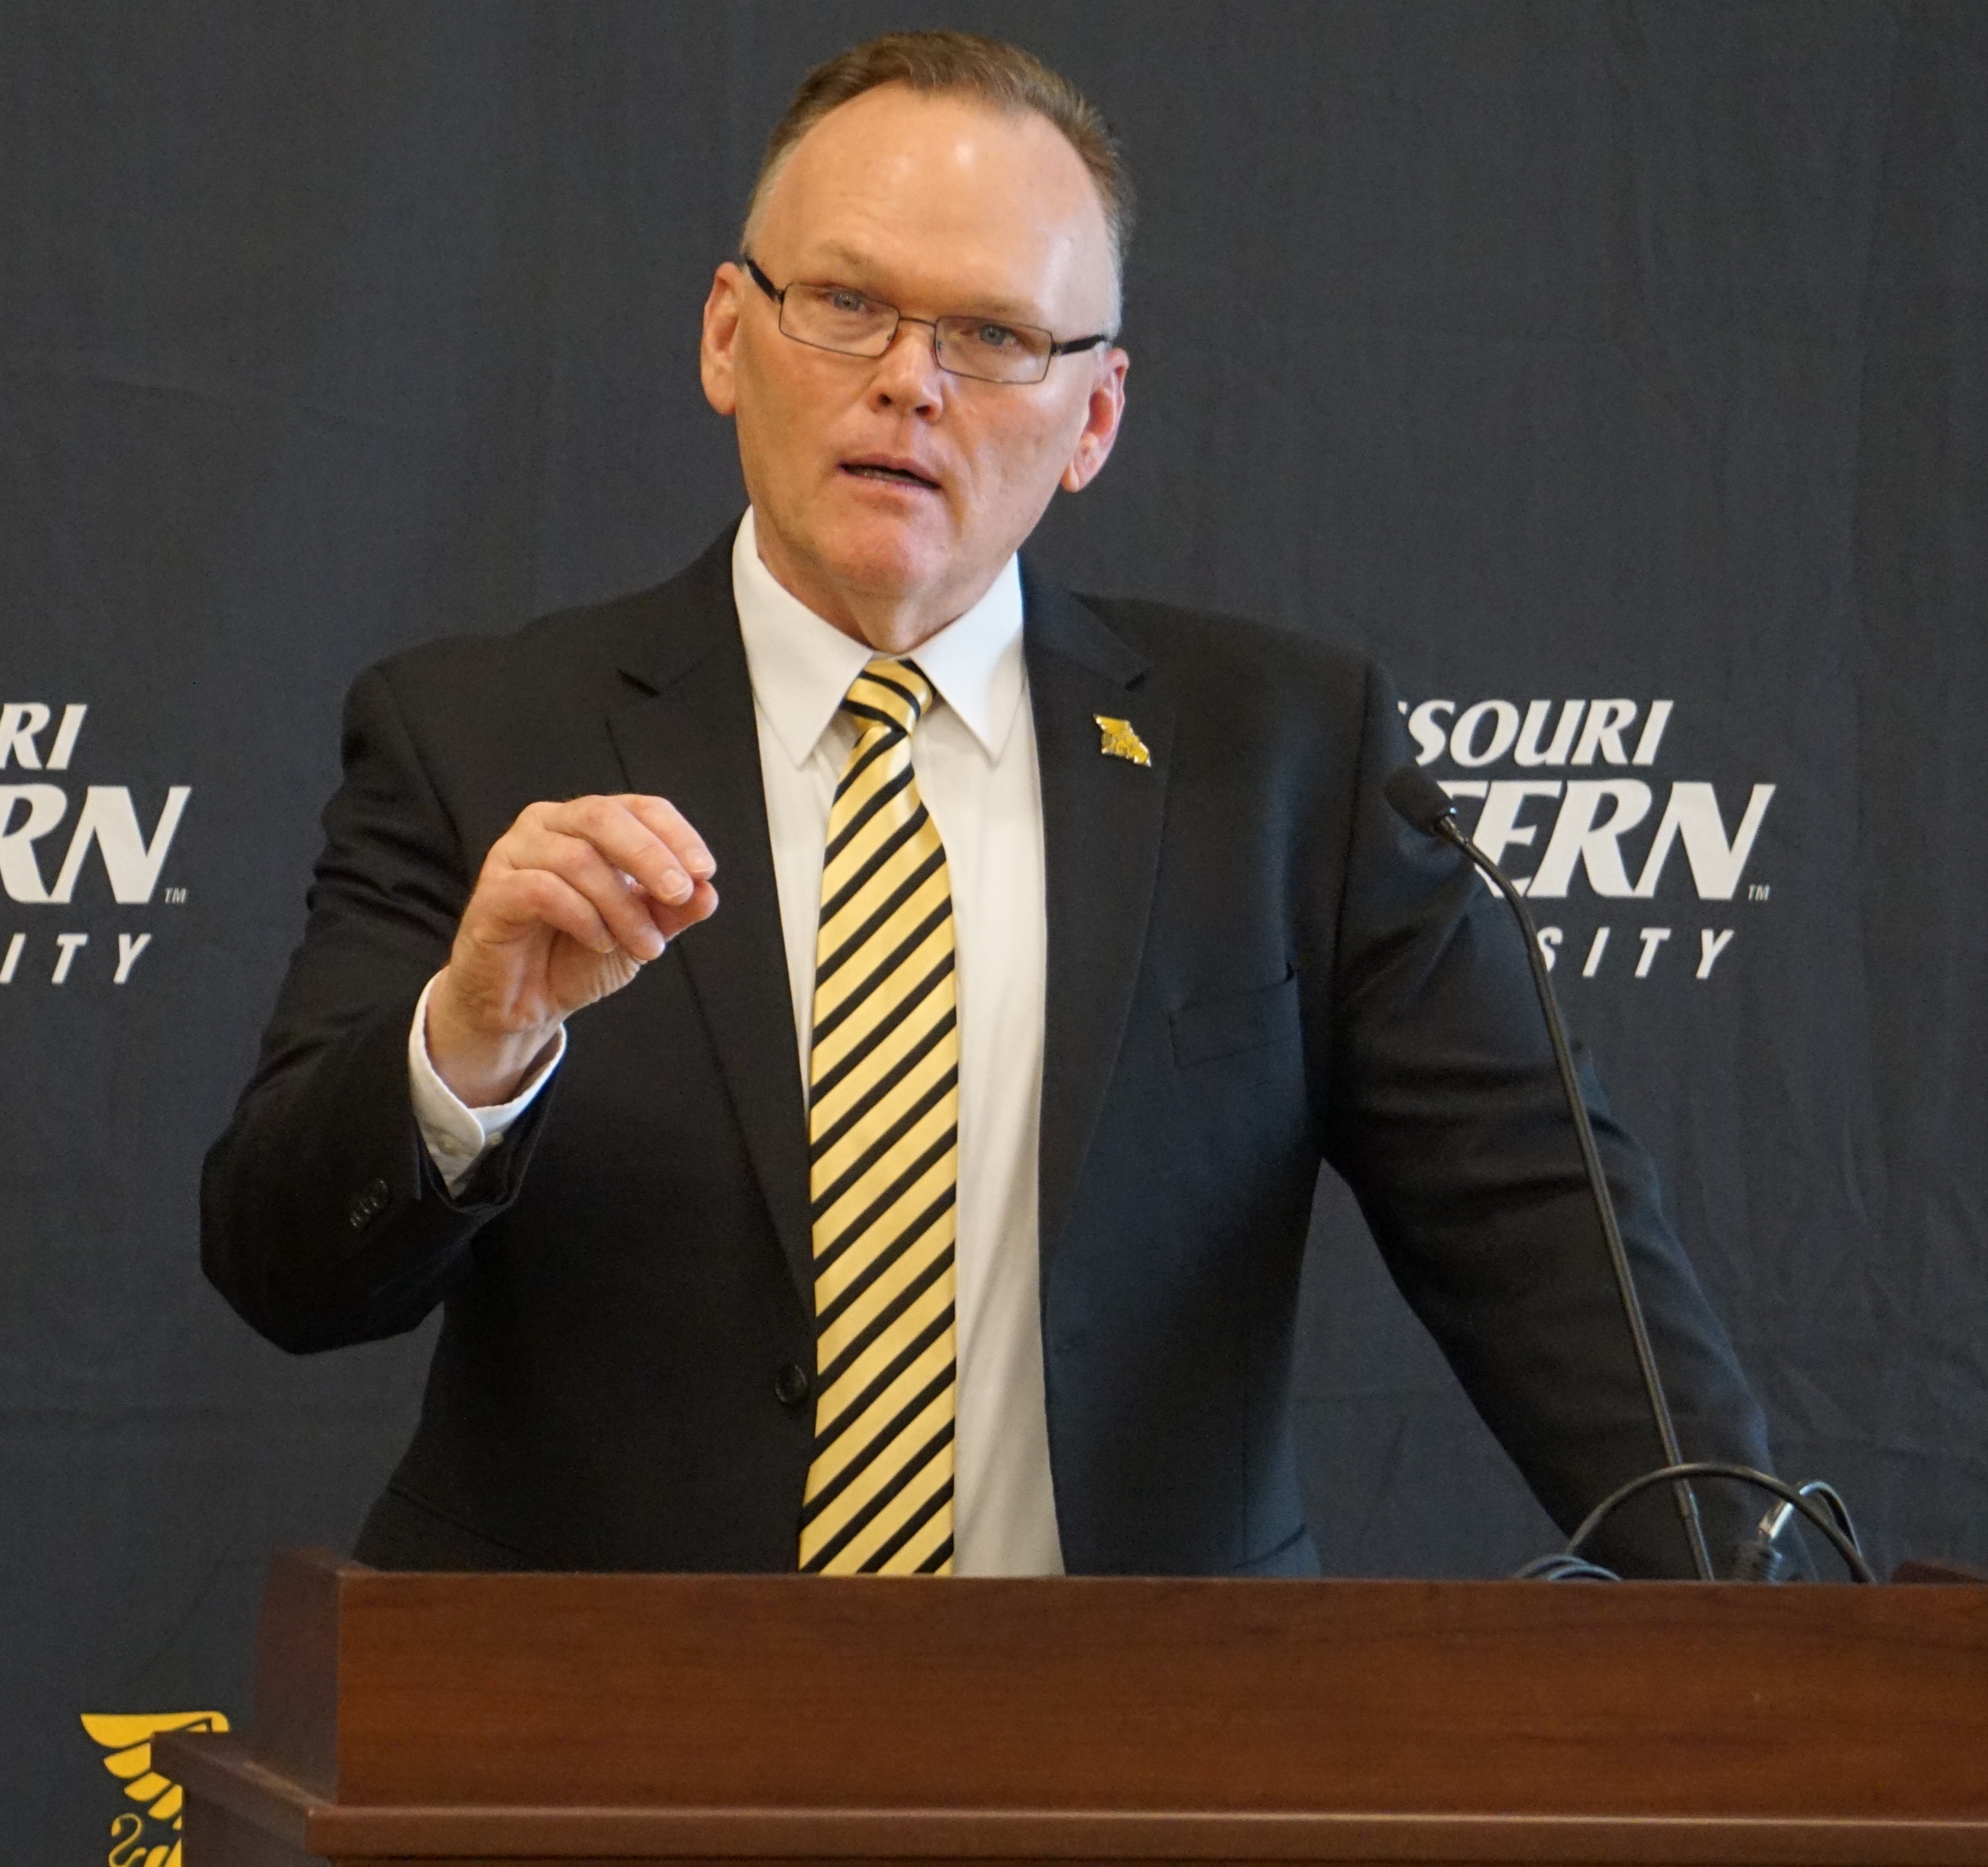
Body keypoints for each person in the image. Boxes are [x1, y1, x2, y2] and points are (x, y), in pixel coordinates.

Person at [202, 30, 1770, 1578]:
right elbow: (288, 1271)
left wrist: (1770, 1636)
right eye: (845, 304)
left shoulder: (1283, 760)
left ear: (1092, 419)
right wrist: (471, 1044)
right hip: (585, 1738)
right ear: (726, 337)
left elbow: (1540, 1242)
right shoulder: (479, 734)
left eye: (996, 336)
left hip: (1134, 1754)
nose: (907, 382)